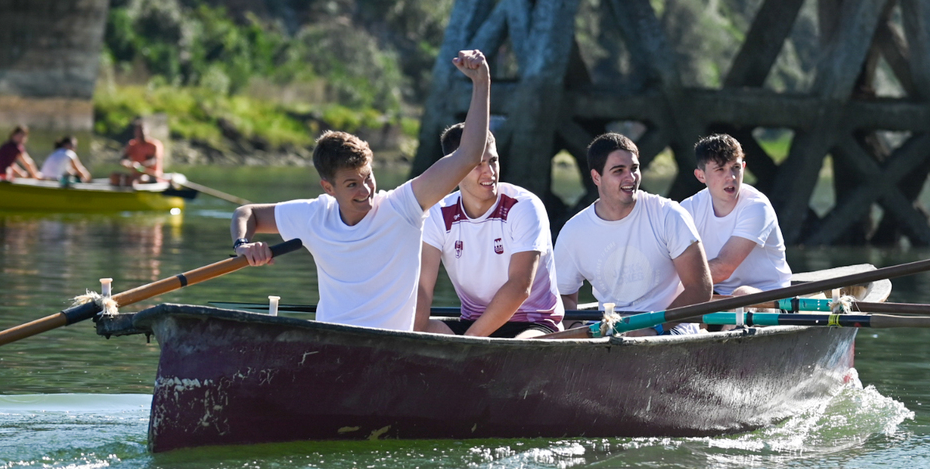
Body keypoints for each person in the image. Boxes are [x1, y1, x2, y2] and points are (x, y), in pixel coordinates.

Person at [230, 49, 492, 331]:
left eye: (368, 177)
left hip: (389, 348)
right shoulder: (314, 215)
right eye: (352, 184)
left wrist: (481, 83)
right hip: (329, 343)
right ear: (328, 187)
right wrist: (243, 245)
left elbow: (468, 156)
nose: (365, 190)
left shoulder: (403, 207)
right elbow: (247, 213)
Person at [554, 133, 713, 336]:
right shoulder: (574, 231)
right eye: (618, 171)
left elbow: (700, 288)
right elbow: (563, 296)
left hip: (671, 329)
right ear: (596, 177)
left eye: (634, 168)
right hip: (609, 331)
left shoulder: (669, 214)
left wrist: (653, 327)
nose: (631, 177)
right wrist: (577, 329)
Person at [416, 125, 564, 339]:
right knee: (411, 327)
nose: (490, 172)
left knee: (517, 348)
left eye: (493, 161)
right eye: (478, 164)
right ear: (453, 169)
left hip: (533, 324)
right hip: (473, 323)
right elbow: (422, 287)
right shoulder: (438, 214)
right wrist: (410, 331)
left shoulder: (523, 206)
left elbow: (520, 285)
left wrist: (468, 343)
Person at [680, 133, 791, 298]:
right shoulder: (688, 208)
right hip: (715, 294)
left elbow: (724, 268)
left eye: (736, 168)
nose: (731, 177)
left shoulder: (757, 206)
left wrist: (672, 279)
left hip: (769, 296)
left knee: (742, 294)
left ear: (743, 167)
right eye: (720, 169)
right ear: (700, 175)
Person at [112, 118, 165, 185]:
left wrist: (139, 165)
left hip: (152, 175)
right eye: (138, 131)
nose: (141, 133)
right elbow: (124, 158)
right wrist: (127, 163)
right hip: (136, 174)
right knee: (114, 177)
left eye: (142, 130)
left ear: (148, 131)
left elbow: (154, 161)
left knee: (140, 180)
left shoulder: (154, 145)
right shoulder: (132, 145)